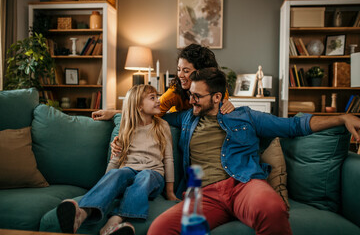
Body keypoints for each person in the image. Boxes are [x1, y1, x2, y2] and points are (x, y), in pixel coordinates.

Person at [144, 67, 360, 235]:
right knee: (160, 228)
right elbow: (151, 113)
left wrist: (341, 118)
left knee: (272, 208)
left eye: (197, 97)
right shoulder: (186, 118)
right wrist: (114, 115)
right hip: (204, 194)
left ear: (218, 97)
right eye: (190, 95)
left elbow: (294, 126)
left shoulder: (245, 116)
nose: (191, 101)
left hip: (244, 184)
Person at [56, 84, 177, 235]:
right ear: (139, 106)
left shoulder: (162, 126)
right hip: (129, 172)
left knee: (145, 176)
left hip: (153, 175)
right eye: (153, 98)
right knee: (118, 173)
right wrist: (107, 184)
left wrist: (170, 192)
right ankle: (81, 214)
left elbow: (168, 159)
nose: (159, 100)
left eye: (156, 96)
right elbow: (115, 159)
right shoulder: (127, 128)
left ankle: (116, 219)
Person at [91, 44, 234, 121]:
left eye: (186, 70)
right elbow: (149, 111)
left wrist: (228, 105)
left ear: (201, 72)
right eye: (178, 69)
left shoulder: (217, 89)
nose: (180, 75)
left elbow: (220, 114)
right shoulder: (175, 92)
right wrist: (115, 113)